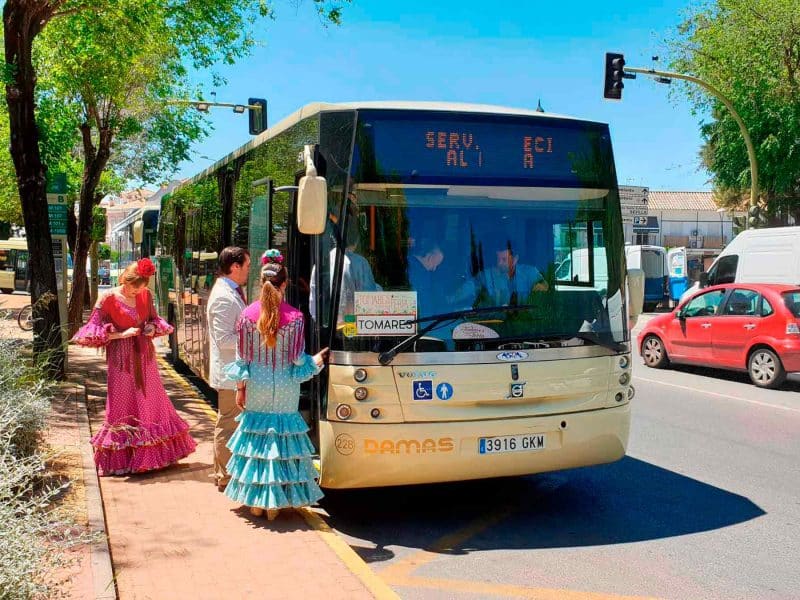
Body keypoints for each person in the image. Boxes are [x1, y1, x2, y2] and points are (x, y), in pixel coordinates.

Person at [222, 249, 328, 520]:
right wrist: (317, 361)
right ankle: (275, 504)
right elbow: (297, 361)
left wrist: (240, 389)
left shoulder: (247, 315)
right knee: (281, 442)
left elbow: (242, 359)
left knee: (257, 442)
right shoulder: (295, 318)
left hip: (256, 386)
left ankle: (257, 502)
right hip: (285, 388)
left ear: (261, 282)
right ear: (285, 283)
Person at [71, 258, 196, 475]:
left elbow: (154, 319)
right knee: (122, 403)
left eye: (140, 289)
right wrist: (121, 334)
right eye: (133, 288)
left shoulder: (145, 295)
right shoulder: (107, 298)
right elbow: (91, 332)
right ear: (125, 280)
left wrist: (150, 328)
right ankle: (122, 459)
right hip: (121, 360)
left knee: (150, 402)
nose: (136, 293)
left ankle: (153, 457)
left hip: (145, 357)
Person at [206, 246, 250, 491]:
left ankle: (221, 472)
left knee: (229, 421)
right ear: (235, 267)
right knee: (228, 424)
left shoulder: (231, 291)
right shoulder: (224, 296)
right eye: (247, 265)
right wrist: (254, 337)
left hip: (233, 371)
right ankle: (225, 475)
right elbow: (224, 340)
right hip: (229, 373)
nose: (248, 270)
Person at [472, 243, 548, 307]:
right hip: (495, 319)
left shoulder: (530, 273)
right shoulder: (486, 276)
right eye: (498, 259)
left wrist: (537, 292)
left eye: (504, 259)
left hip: (526, 318)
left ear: (515, 259)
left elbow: (545, 291)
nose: (499, 263)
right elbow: (470, 290)